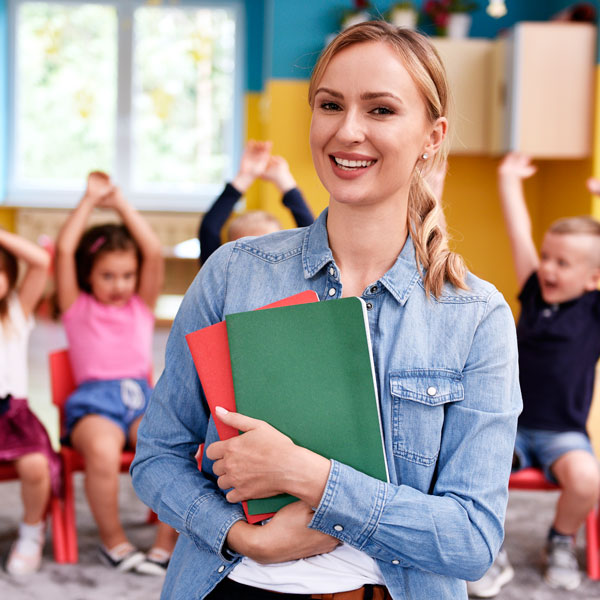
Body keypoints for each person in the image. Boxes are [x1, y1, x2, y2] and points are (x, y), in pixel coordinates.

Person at [132, 21, 521, 600]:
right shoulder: (234, 272)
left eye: (381, 110)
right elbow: (157, 456)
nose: (348, 131)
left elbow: (470, 539)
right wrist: (244, 537)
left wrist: (308, 477)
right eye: (330, 105)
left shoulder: (476, 316)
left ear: (432, 137)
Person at [468, 152, 600, 597]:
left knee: (588, 481)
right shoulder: (533, 291)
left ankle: (561, 539)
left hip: (563, 432)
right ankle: (489, 547)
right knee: (474, 465)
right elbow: (518, 234)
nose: (547, 268)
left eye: (563, 264)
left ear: (594, 277)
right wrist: (507, 180)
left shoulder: (594, 312)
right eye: (547, 257)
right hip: (513, 423)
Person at [55, 171, 178, 575]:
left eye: (127, 275)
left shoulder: (140, 307)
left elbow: (153, 253)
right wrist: (89, 200)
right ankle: (114, 542)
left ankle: (164, 545)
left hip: (141, 398)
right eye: (108, 275)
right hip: (94, 404)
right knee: (104, 453)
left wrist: (122, 203)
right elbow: (64, 249)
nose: (120, 284)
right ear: (88, 273)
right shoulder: (77, 307)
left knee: (169, 446)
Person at [0, 228, 58, 575]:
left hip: (13, 416)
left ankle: (31, 530)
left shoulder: (16, 313)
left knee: (36, 467)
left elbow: (40, 261)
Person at [198, 139, 314, 265]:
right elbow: (209, 230)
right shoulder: (223, 271)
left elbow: (313, 239)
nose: (259, 256)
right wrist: (245, 177)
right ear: (229, 252)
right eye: (247, 249)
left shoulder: (289, 273)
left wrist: (285, 181)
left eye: (269, 247)